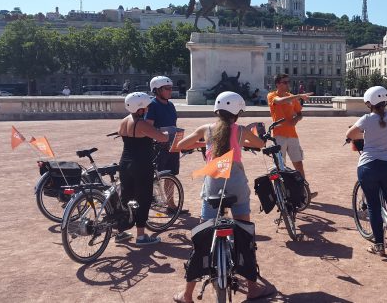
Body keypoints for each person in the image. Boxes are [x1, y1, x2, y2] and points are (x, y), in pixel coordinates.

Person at [173, 92, 276, 303]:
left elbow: (181, 145)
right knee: (245, 235)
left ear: (217, 110)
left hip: (213, 185)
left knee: (201, 239)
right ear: (237, 113)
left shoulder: (206, 129)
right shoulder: (241, 130)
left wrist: (204, 145)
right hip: (236, 184)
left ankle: (187, 294)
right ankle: (253, 288)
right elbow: (259, 144)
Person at [346, 86, 387, 256]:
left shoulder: (366, 119)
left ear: (368, 103)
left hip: (368, 166)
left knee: (373, 205)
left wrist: (366, 136)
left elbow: (350, 134)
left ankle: (379, 245)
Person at [117, 92, 169, 246]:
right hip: (141, 164)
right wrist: (166, 133)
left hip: (125, 163)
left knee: (125, 197)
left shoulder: (123, 121)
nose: (147, 109)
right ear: (139, 108)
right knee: (143, 197)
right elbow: (162, 138)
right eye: (145, 107)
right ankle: (141, 236)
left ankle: (120, 231)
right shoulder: (141, 123)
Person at [145, 76, 189, 215]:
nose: (171, 91)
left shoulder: (170, 105)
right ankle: (154, 202)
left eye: (171, 88)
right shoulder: (152, 105)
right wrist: (160, 134)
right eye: (167, 88)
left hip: (172, 144)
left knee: (171, 175)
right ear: (157, 90)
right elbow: (148, 127)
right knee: (158, 176)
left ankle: (171, 205)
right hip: (158, 147)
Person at [267, 74, 313, 187]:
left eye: (288, 82)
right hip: (278, 135)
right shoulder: (272, 95)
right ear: (277, 84)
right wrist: (299, 96)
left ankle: (303, 190)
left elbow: (300, 114)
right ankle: (282, 192)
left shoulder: (292, 97)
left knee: (298, 164)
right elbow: (280, 101)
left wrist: (296, 120)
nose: (288, 84)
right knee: (280, 166)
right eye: (285, 82)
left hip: (292, 135)